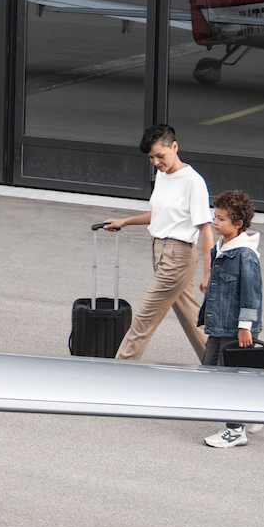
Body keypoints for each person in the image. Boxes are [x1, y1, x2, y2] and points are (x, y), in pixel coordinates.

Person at [99, 124, 212, 363]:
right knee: (193, 318)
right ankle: (222, 365)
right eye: (151, 158)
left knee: (144, 318)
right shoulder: (162, 175)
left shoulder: (193, 181)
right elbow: (160, 214)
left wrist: (208, 271)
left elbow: (205, 227)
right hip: (159, 251)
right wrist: (125, 221)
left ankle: (117, 372)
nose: (156, 162)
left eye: (160, 155)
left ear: (174, 147)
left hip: (178, 257)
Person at [199, 189, 264, 450]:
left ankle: (235, 431)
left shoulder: (245, 255)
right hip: (219, 326)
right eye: (215, 216)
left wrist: (245, 327)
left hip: (235, 329)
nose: (215, 222)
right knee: (211, 372)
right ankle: (254, 411)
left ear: (238, 224)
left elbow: (251, 293)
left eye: (221, 219)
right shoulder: (221, 247)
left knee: (227, 380)